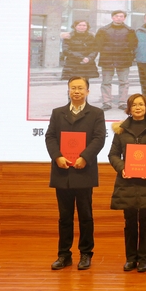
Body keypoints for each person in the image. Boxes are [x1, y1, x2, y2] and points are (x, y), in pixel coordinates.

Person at [45, 76, 107, 270]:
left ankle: (86, 254)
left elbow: (99, 138)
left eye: (80, 88)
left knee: (85, 216)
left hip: (84, 171)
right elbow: (50, 137)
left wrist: (85, 157)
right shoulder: (58, 113)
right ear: (68, 90)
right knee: (65, 217)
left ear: (88, 91)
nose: (76, 91)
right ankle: (64, 255)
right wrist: (57, 157)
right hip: (62, 171)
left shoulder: (96, 113)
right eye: (73, 88)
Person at [108, 94, 146, 273]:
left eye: (141, 104)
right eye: (134, 105)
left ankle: (144, 259)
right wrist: (122, 168)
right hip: (126, 181)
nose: (138, 107)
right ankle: (130, 258)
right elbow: (113, 154)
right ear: (129, 108)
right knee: (130, 221)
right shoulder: (121, 130)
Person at [95, 10, 138, 111]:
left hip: (124, 59)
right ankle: (106, 102)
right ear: (112, 17)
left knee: (124, 82)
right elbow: (97, 44)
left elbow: (134, 45)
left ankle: (122, 102)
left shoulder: (130, 30)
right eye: (117, 16)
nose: (119, 18)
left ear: (124, 18)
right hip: (107, 59)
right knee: (106, 82)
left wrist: (131, 57)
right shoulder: (103, 30)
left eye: (121, 16)